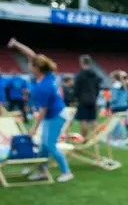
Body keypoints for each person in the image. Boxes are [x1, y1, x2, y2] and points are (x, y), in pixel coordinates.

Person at [7, 38, 73, 183]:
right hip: (51, 114)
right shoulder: (45, 75)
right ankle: (42, 171)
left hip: (57, 115)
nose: (29, 66)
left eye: (31, 65)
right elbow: (31, 54)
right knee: (43, 145)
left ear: (37, 68)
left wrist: (33, 128)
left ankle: (67, 172)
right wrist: (17, 45)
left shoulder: (45, 85)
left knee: (50, 144)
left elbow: (42, 111)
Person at [73, 55, 101, 139]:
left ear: (81, 63)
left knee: (83, 119)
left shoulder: (80, 75)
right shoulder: (95, 75)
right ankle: (95, 139)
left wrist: (74, 98)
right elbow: (97, 88)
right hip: (92, 99)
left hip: (82, 100)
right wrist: (95, 98)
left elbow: (76, 89)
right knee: (93, 119)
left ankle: (85, 138)